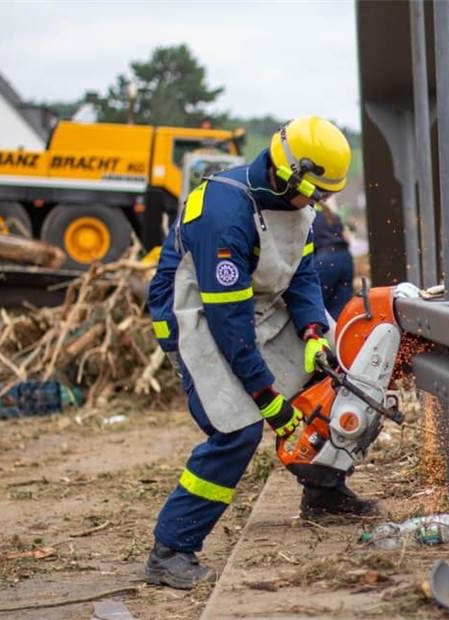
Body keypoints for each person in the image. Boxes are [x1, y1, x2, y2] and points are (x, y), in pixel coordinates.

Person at [144, 116, 377, 590]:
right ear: (287, 173)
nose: (318, 204)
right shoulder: (223, 211)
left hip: (258, 304)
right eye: (314, 194)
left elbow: (303, 273)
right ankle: (171, 550)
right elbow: (230, 331)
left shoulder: (298, 203)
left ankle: (323, 491)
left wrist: (314, 332)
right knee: (237, 428)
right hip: (199, 315)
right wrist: (271, 403)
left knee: (331, 383)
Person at [311, 201, 354, 319]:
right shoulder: (326, 209)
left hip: (325, 257)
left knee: (313, 303)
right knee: (339, 306)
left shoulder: (307, 209)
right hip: (344, 255)